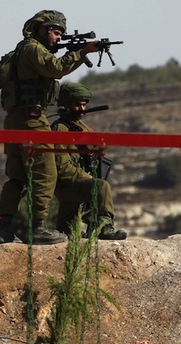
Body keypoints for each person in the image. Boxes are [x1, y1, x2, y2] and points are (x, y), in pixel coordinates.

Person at [0, 10, 99, 245]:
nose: (58, 38)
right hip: (32, 121)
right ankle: (37, 228)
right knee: (46, 172)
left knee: (18, 177)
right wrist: (81, 53)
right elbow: (55, 68)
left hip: (14, 121)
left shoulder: (21, 50)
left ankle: (4, 228)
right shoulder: (33, 48)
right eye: (55, 32)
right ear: (40, 29)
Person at [51, 83, 127, 240]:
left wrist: (99, 150)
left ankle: (81, 228)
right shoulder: (60, 129)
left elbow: (94, 147)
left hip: (78, 183)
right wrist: (89, 180)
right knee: (101, 187)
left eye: (84, 105)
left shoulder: (81, 126)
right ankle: (103, 228)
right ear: (66, 105)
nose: (82, 109)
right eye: (78, 105)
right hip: (68, 184)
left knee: (67, 233)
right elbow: (62, 166)